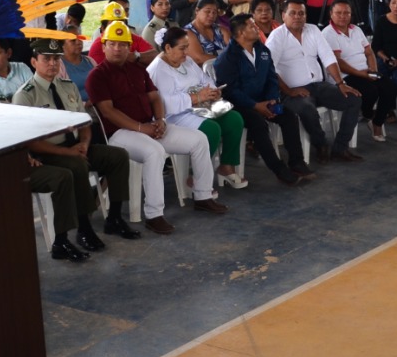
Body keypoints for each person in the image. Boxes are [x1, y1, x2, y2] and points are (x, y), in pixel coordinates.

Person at [89, 20, 223, 235]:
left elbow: (154, 97)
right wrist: (142, 128)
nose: (117, 49)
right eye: (112, 44)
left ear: (130, 48)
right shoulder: (98, 75)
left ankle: (203, 195)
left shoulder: (137, 70)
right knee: (155, 152)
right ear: (103, 46)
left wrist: (160, 120)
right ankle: (154, 214)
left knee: (199, 140)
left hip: (150, 125)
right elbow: (108, 112)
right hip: (119, 133)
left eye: (122, 45)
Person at [15, 37, 137, 249]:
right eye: (46, 59)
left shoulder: (68, 86)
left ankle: (114, 217)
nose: (53, 63)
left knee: (117, 156)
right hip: (48, 153)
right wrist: (70, 153)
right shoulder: (25, 95)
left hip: (76, 148)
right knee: (78, 166)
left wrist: (84, 143)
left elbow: (84, 121)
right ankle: (84, 228)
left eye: (56, 58)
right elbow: (31, 143)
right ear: (34, 62)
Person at [213, 14, 310, 185]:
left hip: (265, 101)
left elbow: (272, 78)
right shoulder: (227, 58)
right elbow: (230, 90)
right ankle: (278, 169)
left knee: (288, 116)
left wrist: (272, 99)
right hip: (239, 106)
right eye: (252, 26)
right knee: (258, 123)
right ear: (241, 32)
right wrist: (255, 105)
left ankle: (297, 162)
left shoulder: (263, 51)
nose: (256, 28)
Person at [147, 27, 248, 188]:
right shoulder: (158, 70)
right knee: (211, 129)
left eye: (187, 47)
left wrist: (212, 91)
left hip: (200, 107)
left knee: (234, 119)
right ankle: (197, 177)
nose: (186, 52)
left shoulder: (186, 61)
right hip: (175, 116)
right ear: (167, 48)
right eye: (182, 48)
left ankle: (226, 166)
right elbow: (165, 103)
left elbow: (204, 78)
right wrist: (197, 97)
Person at [267, 0, 363, 162]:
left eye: (301, 13)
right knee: (307, 109)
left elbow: (328, 57)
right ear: (283, 16)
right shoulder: (277, 37)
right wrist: (289, 91)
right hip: (291, 91)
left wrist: (341, 83)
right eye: (293, 13)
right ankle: (321, 144)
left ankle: (340, 147)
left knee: (354, 99)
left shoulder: (312, 30)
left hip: (318, 85)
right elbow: (270, 69)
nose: (297, 17)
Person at [323, 0, 396, 141]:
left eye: (346, 13)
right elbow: (338, 61)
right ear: (331, 14)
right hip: (343, 76)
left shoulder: (356, 29)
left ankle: (377, 122)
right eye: (339, 13)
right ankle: (368, 114)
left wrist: (373, 70)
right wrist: (361, 74)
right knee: (371, 91)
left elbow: (369, 52)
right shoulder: (327, 33)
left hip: (365, 72)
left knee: (390, 87)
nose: (343, 16)